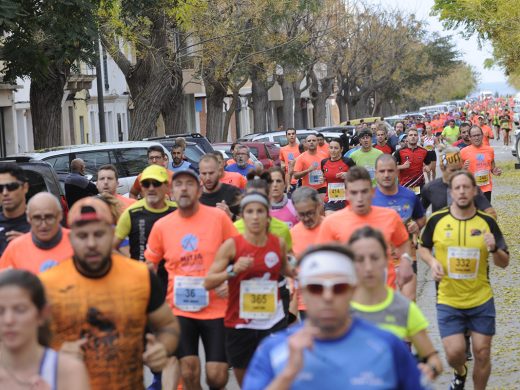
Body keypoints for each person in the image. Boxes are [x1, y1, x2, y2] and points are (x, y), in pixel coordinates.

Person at [40, 197, 180, 389]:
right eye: (82, 236)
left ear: (112, 234)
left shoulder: (141, 276)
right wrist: (55, 355)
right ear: (71, 239)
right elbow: (26, 344)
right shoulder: (48, 285)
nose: (91, 243)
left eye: (99, 234)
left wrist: (162, 348)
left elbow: (167, 324)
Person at [242, 244, 425, 390]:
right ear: (303, 292)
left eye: (338, 287)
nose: (327, 296)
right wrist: (288, 375)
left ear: (353, 290)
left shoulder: (387, 346)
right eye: (316, 288)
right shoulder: (273, 350)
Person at [145, 169, 238, 390]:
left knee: (217, 376)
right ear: (171, 192)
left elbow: (239, 251)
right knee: (188, 370)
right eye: (178, 185)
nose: (184, 188)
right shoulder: (162, 226)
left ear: (199, 191)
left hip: (216, 306)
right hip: (178, 308)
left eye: (189, 184)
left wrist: (229, 279)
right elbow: (150, 265)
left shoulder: (218, 218)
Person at [418, 171, 509, 390]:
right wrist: (432, 263)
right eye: (457, 188)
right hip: (449, 299)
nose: (461, 191)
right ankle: (460, 373)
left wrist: (494, 248)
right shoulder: (437, 220)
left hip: (481, 299)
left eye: (466, 187)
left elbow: (503, 262)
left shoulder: (487, 222)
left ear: (475, 191)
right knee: (454, 353)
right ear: (451, 192)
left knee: (482, 352)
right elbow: (423, 247)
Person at [204, 193, 294, 385]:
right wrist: (232, 270)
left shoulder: (277, 244)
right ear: (242, 216)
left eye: (260, 211)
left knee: (274, 377)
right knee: (247, 383)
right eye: (250, 212)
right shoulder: (231, 246)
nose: (255, 216)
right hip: (240, 322)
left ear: (267, 216)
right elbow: (208, 282)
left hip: (272, 320)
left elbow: (290, 270)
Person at [349, 227, 442, 381]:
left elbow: (434, 360)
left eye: (375, 258)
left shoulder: (403, 308)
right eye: (360, 259)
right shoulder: (339, 310)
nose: (368, 267)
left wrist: (428, 369)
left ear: (386, 260)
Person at [317, 166, 413, 289]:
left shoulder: (390, 216)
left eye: (364, 192)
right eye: (354, 193)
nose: (360, 198)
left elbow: (403, 242)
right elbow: (323, 259)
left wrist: (405, 261)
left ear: (372, 192)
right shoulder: (331, 223)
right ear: (346, 194)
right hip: (350, 299)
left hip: (385, 295)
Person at [0, 269, 89, 390]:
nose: (8, 320)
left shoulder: (68, 371)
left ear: (42, 314)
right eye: (1, 311)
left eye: (20, 309)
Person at [372, 154, 426, 301]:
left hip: (406, 257)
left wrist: (417, 225)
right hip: (380, 260)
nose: (386, 175)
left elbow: (422, 219)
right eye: (382, 171)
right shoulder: (369, 198)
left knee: (408, 304)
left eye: (390, 171)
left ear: (397, 171)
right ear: (375, 173)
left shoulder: (409, 196)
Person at [114, 164, 177, 262]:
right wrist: (131, 265)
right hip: (142, 274)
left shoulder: (177, 212)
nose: (151, 188)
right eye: (146, 184)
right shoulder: (132, 213)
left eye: (156, 183)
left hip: (172, 274)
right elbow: (111, 247)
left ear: (167, 187)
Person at [0, 192, 72, 274]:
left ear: (60, 215)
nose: (44, 225)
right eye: (37, 218)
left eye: (49, 217)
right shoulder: (15, 248)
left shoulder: (76, 242)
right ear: (28, 217)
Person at [421, 146, 496, 218]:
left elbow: (491, 213)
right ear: (442, 168)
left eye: (460, 169)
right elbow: (419, 215)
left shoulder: (470, 187)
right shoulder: (430, 188)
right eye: (453, 170)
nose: (457, 174)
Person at [290, 187, 324, 318]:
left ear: (318, 206)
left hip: (332, 298)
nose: (306, 218)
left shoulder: (331, 227)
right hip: (305, 303)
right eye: (302, 214)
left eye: (310, 213)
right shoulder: (292, 234)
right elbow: (291, 272)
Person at [460, 125, 501, 202]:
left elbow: (492, 165)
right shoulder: (463, 152)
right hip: (471, 189)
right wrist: (463, 168)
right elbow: (457, 172)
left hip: (486, 188)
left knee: (485, 212)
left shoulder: (490, 150)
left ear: (482, 135)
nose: (477, 138)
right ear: (469, 137)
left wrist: (495, 171)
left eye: (478, 135)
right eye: (474, 136)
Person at [0, 163, 31, 257]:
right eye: (0, 188)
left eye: (11, 186)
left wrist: (31, 245)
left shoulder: (41, 222)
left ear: (25, 187)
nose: (5, 193)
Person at [199, 154, 242, 221]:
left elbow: (248, 224)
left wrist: (231, 215)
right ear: (199, 174)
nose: (208, 178)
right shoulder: (194, 196)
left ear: (219, 172)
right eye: (204, 173)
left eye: (211, 173)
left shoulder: (233, 193)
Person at [320, 139, 355, 214]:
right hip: (330, 198)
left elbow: (358, 177)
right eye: (331, 148)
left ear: (341, 149)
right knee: (330, 220)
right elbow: (325, 177)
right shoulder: (324, 162)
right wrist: (322, 179)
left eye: (336, 148)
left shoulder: (348, 161)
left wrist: (348, 175)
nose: (333, 150)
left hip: (346, 199)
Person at [394, 128, 432, 193]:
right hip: (404, 185)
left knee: (417, 202)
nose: (413, 137)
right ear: (407, 138)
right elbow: (391, 167)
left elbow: (429, 164)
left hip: (418, 184)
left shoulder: (424, 151)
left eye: (415, 135)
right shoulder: (399, 152)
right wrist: (402, 166)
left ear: (418, 137)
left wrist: (428, 168)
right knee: (406, 203)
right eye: (411, 135)